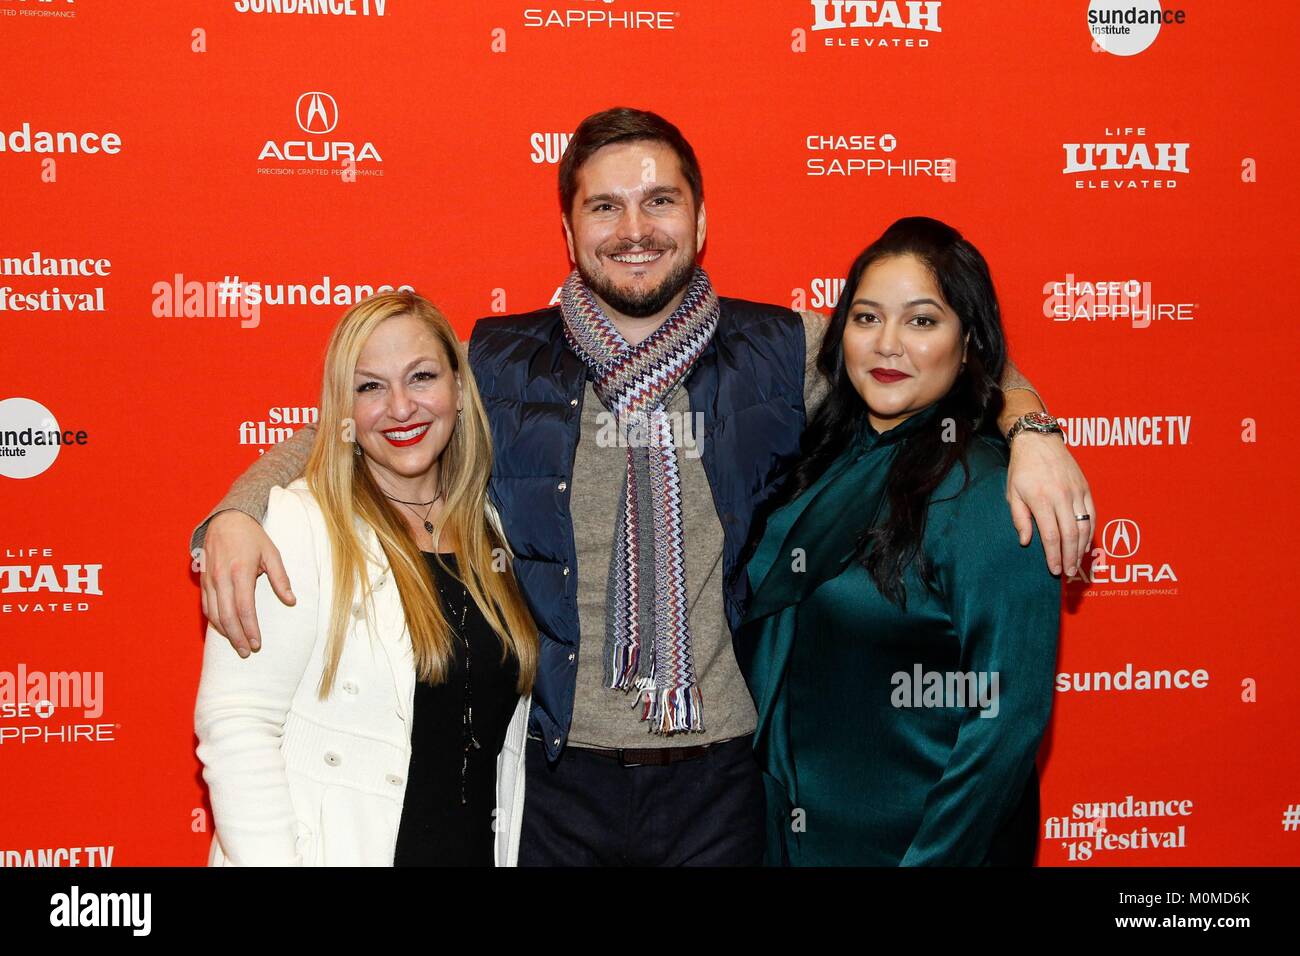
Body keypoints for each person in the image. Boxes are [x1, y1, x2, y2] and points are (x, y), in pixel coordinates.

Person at [188, 108, 1093, 866]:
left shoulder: (782, 352)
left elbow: (933, 355)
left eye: (660, 201)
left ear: (700, 223)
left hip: (723, 784)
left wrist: (1033, 427)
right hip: (557, 785)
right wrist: (235, 510)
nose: (634, 229)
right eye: (606, 206)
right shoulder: (502, 362)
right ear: (570, 229)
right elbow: (357, 426)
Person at [737, 217, 1062, 866]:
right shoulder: (821, 452)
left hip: (910, 848)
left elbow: (1004, 728)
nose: (888, 345)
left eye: (921, 321)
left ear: (969, 342)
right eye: (865, 318)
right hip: (787, 836)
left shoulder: (995, 494)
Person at [193, 291, 537, 866]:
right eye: (370, 386)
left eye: (422, 377)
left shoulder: (492, 527)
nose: (401, 407)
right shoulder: (300, 525)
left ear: (459, 384)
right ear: (343, 408)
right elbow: (236, 727)